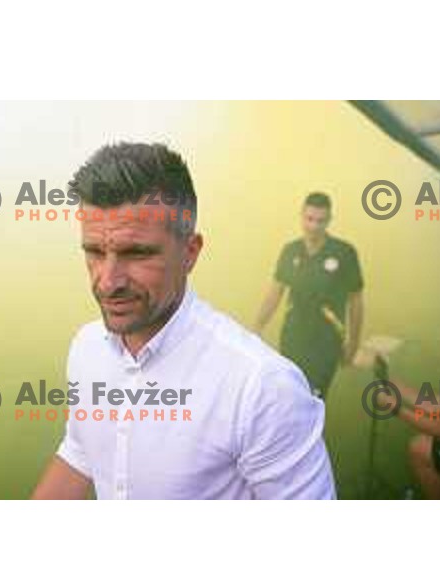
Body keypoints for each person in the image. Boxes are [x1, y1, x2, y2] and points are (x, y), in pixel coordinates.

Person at [32, 142, 335, 500]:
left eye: (137, 253)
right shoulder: (87, 348)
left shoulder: (263, 387)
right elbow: (80, 454)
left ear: (190, 253)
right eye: (95, 252)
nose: (109, 280)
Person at [254, 193, 364, 400]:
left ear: (329, 220)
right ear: (301, 217)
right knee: (287, 396)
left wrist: (353, 343)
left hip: (327, 341)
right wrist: (257, 328)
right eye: (310, 219)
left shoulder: (344, 252)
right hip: (293, 337)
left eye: (320, 221)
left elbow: (356, 302)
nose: (314, 226)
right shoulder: (290, 250)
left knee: (313, 399)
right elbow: (275, 292)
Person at [376, 320, 440, 499]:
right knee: (421, 445)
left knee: (421, 448)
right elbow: (435, 405)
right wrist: (392, 384)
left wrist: (396, 408)